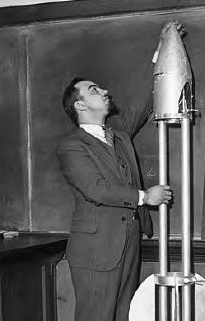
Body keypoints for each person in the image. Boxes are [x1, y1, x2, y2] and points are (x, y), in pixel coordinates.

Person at [57, 77, 172, 321]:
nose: (105, 91)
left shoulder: (118, 135)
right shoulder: (72, 146)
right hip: (95, 251)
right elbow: (96, 189)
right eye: (94, 90)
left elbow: (140, 104)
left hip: (128, 244)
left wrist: (161, 54)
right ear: (80, 105)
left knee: (123, 315)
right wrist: (144, 197)